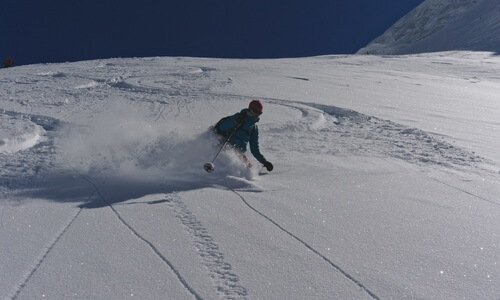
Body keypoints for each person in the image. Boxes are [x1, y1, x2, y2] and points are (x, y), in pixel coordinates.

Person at [213, 100, 273, 171]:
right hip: (225, 147)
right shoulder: (238, 117)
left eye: (260, 112)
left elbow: (254, 149)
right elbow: (222, 128)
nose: (257, 114)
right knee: (230, 168)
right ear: (250, 109)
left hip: (239, 153)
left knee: (249, 169)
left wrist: (264, 162)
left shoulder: (254, 128)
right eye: (256, 111)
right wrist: (235, 121)